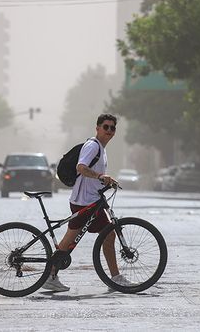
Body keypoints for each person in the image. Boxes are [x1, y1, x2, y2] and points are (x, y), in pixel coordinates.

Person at [42, 113, 133, 292]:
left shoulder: (101, 148)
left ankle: (51, 275)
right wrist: (100, 176)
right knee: (103, 236)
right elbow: (81, 168)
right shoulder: (93, 146)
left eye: (112, 128)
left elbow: (91, 172)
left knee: (103, 236)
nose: (109, 130)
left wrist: (106, 180)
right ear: (97, 128)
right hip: (84, 201)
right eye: (105, 127)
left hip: (89, 200)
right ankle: (115, 279)